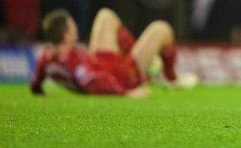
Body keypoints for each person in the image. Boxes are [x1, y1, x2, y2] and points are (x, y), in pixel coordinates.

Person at [30, 8, 179, 97]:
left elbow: (36, 82)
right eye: (73, 26)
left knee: (105, 16)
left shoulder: (46, 57)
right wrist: (126, 93)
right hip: (121, 76)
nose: (76, 28)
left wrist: (39, 91)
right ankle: (171, 78)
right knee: (161, 28)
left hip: (101, 61)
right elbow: (93, 82)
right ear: (67, 36)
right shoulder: (72, 57)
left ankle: (146, 65)